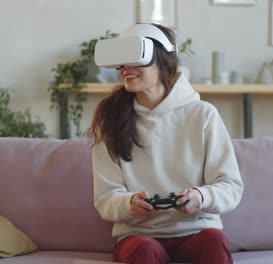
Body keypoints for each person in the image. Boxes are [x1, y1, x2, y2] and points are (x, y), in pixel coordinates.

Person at [87, 23, 243, 264]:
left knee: (214, 240)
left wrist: (201, 197)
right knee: (145, 250)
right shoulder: (111, 119)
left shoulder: (203, 115)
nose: (126, 69)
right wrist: (129, 204)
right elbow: (105, 199)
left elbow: (231, 186)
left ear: (162, 59)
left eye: (135, 59)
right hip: (138, 237)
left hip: (196, 230)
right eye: (121, 61)